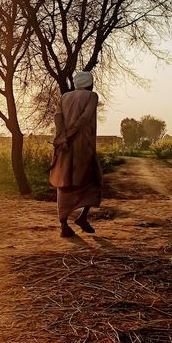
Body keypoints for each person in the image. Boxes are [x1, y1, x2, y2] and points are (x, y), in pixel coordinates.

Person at [49, 71, 102, 238]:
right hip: (83, 147)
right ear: (90, 83)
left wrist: (62, 137)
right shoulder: (92, 96)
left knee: (64, 181)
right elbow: (85, 118)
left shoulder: (65, 97)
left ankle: (64, 225)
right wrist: (70, 135)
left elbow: (58, 116)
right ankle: (83, 217)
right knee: (93, 180)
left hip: (64, 147)